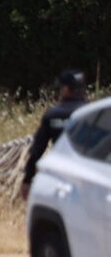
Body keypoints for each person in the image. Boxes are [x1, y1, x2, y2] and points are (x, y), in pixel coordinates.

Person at [21, 69, 88, 199]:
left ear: (66, 89)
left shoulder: (53, 115)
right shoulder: (92, 113)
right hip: (89, 178)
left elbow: (37, 150)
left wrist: (27, 179)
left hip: (62, 178)